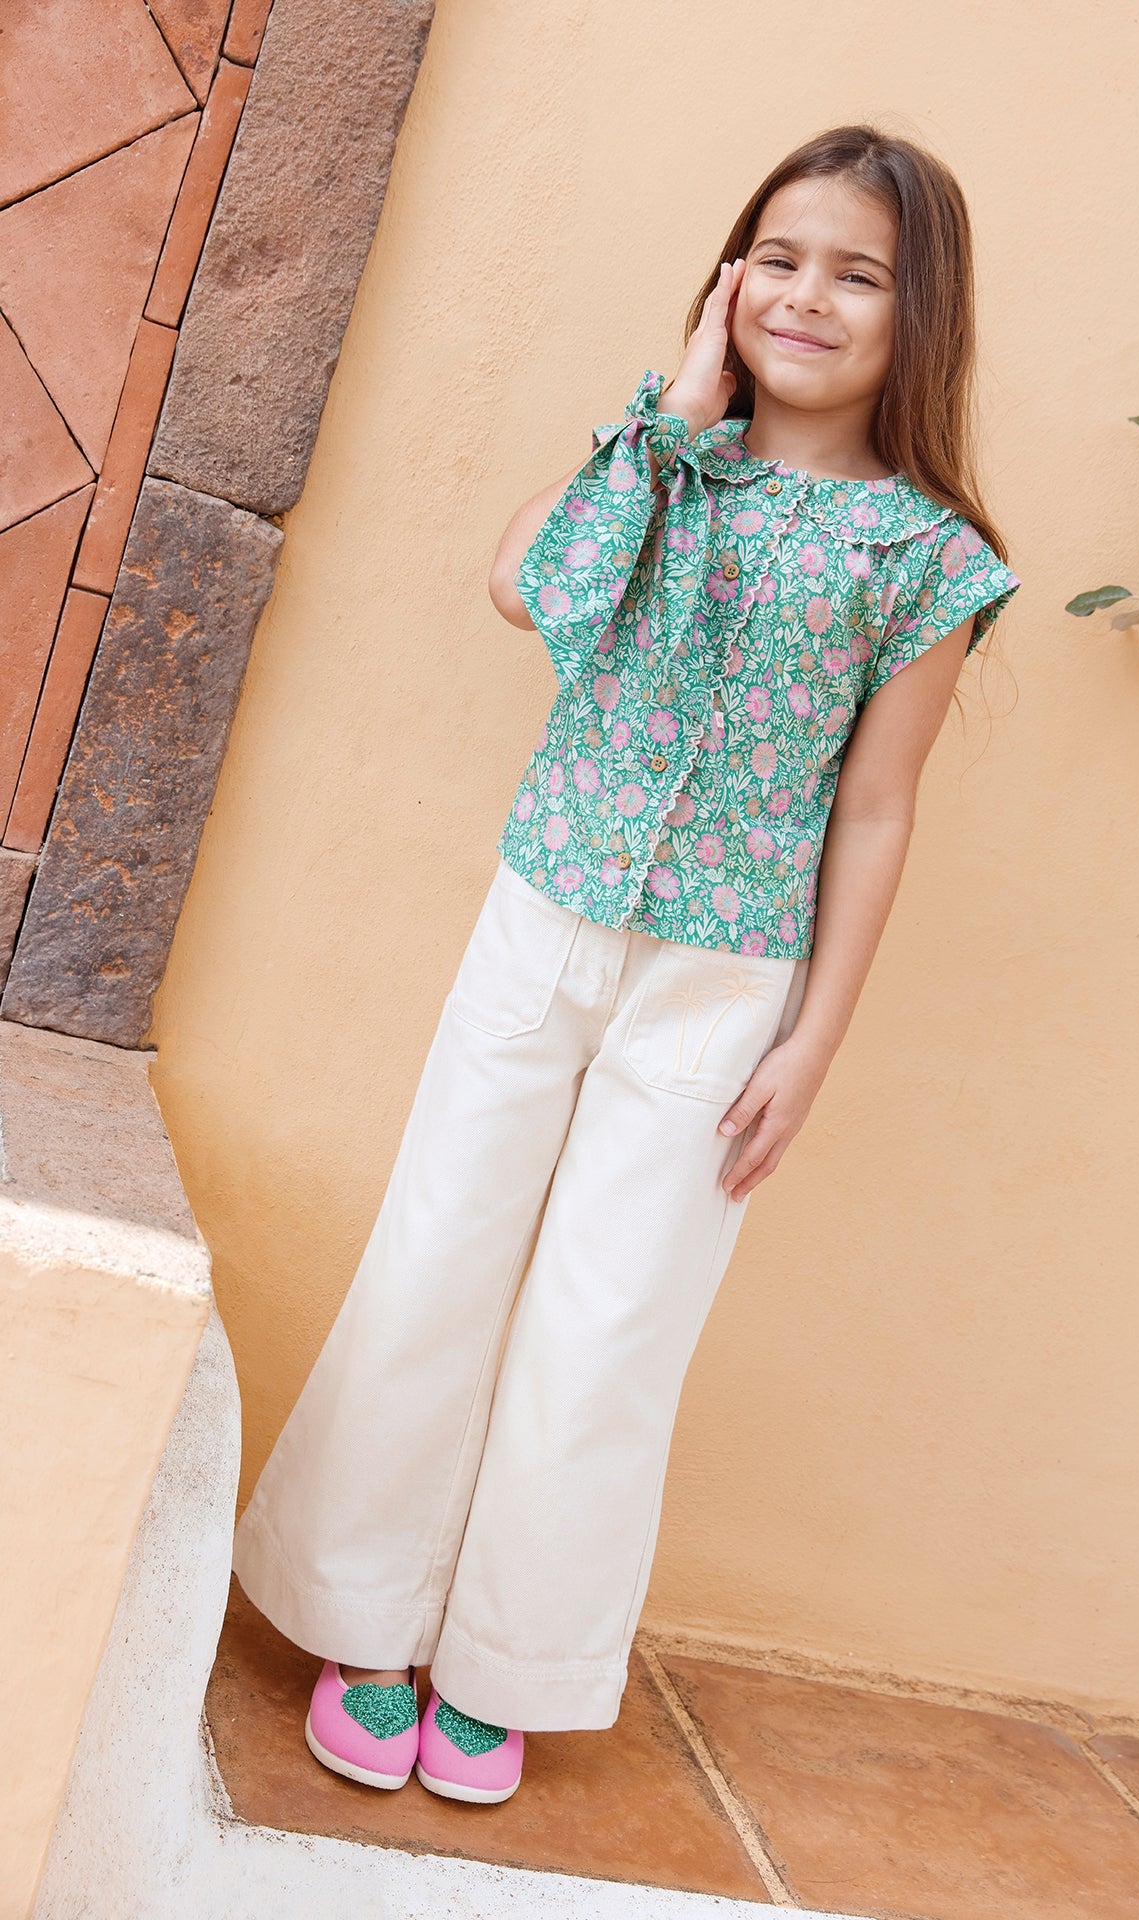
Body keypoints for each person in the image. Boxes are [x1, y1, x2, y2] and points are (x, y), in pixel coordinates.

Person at [230, 122, 1021, 1805]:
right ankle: (361, 1622)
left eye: (857, 273)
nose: (807, 296)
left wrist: (809, 1041)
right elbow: (524, 585)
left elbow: (873, 818)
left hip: (721, 984)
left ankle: (503, 1664)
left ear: (917, 310)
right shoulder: (650, 467)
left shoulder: (927, 560)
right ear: (732, 275)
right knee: (441, 1250)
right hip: (546, 924)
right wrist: (668, 417)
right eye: (780, 257)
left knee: (608, 1328)